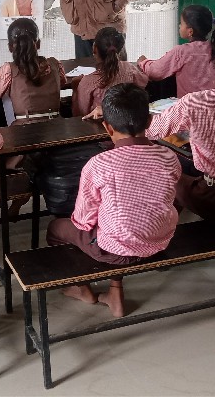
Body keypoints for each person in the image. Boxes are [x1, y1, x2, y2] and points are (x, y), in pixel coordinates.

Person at [94, 30, 215, 308]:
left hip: (214, 199)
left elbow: (151, 130)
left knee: (170, 176)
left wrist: (115, 114)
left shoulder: (196, 101)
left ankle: (157, 243)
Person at [49, 83, 179, 317]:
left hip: (115, 251)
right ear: (149, 121)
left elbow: (83, 220)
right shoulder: (168, 157)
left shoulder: (99, 165)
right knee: (116, 222)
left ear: (107, 127)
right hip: (159, 240)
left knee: (57, 229)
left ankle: (82, 288)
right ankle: (114, 292)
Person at [0, 18, 70, 126]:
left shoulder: (8, 70)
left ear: (10, 47)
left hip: (24, 129)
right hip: (56, 125)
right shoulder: (55, 64)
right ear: (38, 44)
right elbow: (62, 82)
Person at [138, 4, 215, 98]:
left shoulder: (182, 52)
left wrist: (143, 62)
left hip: (188, 105)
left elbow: (155, 72)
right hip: (213, 104)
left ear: (190, 31)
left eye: (181, 23)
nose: (179, 26)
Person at [73, 27, 148, 116]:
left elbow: (79, 114)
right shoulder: (130, 69)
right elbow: (144, 82)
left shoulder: (88, 82)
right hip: (127, 119)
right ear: (120, 49)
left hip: (100, 124)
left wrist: (75, 89)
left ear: (94, 49)